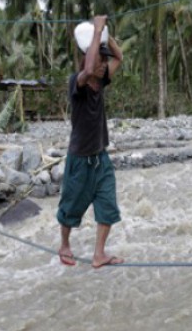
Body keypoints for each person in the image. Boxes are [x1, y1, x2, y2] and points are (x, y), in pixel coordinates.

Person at [57, 15, 125, 268]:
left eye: (103, 59)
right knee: (71, 206)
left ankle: (99, 254)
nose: (103, 63)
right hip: (80, 159)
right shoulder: (78, 82)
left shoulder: (103, 79)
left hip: (100, 157)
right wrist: (96, 31)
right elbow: (87, 70)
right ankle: (64, 244)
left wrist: (107, 33)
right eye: (99, 57)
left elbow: (120, 57)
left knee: (107, 205)